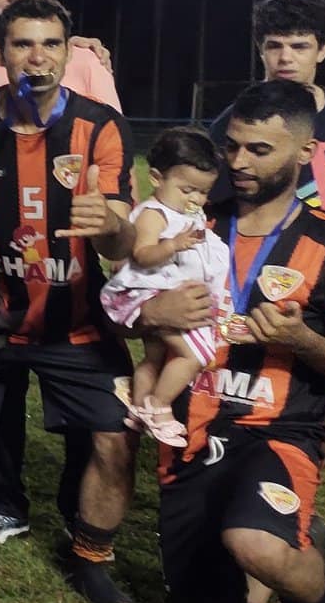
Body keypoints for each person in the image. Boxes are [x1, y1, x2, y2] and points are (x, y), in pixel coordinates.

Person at [155, 81, 325, 603]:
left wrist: (300, 340)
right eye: (231, 147)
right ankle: (294, 540)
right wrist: (156, 314)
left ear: (305, 153)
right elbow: (129, 308)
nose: (238, 163)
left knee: (255, 544)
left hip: (281, 429)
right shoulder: (195, 224)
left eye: (259, 150)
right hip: (195, 426)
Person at [0, 0, 142, 603]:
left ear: (68, 52)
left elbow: (125, 239)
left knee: (115, 436)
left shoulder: (101, 126)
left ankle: (92, 558)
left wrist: (106, 226)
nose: (37, 58)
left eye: (51, 44)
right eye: (22, 44)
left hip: (74, 320)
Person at [209, 0, 325, 462]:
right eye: (274, 45)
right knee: (263, 396)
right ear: (260, 50)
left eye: (300, 45)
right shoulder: (236, 124)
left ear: (322, 50)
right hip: (276, 281)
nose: (285, 57)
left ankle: (300, 476)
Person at [98, 126, 229, 447]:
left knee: (154, 358)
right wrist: (174, 244)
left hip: (161, 291)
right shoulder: (153, 215)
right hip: (145, 293)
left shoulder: (184, 212)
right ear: (157, 178)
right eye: (187, 190)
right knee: (193, 356)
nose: (195, 200)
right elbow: (142, 255)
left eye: (202, 193)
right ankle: (159, 405)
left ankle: (140, 408)